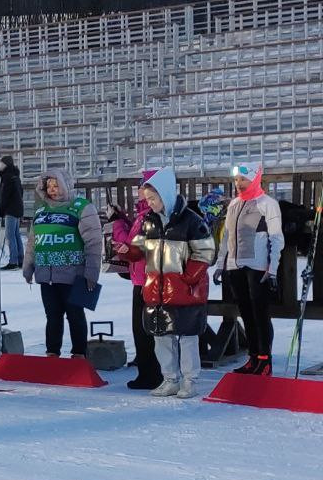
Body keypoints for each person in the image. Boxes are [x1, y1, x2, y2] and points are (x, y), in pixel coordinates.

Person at [128, 166, 216, 398]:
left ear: (165, 194)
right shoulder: (149, 221)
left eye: (153, 198)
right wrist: (125, 250)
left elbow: (206, 252)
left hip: (185, 290)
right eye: (147, 199)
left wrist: (188, 278)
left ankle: (189, 380)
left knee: (187, 337)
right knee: (161, 336)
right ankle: (170, 379)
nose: (150, 203)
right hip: (156, 290)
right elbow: (137, 250)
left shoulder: (191, 221)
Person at [22, 169, 102, 357]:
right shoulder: (41, 210)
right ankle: (52, 353)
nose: (52, 190)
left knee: (75, 315)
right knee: (52, 316)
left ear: (66, 185)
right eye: (48, 186)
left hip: (73, 274)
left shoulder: (81, 207)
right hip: (46, 274)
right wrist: (28, 266)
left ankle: (79, 354)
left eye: (56, 185)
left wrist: (91, 273)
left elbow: (94, 243)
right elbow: (33, 241)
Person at [214, 163, 284, 375]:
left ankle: (265, 359)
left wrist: (272, 269)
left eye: (242, 180)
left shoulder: (267, 204)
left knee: (260, 314)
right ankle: (253, 357)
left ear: (254, 179)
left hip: (258, 266)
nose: (238, 184)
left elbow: (276, 238)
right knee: (246, 313)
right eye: (236, 180)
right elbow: (226, 238)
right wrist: (221, 264)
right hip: (236, 265)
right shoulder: (234, 204)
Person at [113, 180, 163, 390]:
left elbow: (132, 244)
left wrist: (116, 222)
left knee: (144, 329)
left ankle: (150, 373)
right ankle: (148, 369)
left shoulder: (148, 217)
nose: (140, 191)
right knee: (142, 328)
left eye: (145, 188)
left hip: (147, 277)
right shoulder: (143, 215)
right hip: (141, 276)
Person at [0, 155, 24, 269]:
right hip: (18, 208)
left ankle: (13, 261)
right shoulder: (15, 176)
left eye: (1, 163)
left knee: (10, 235)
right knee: (16, 234)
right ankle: (20, 259)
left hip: (11, 209)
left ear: (6, 164)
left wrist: (1, 211)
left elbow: (5, 196)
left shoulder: (7, 177)